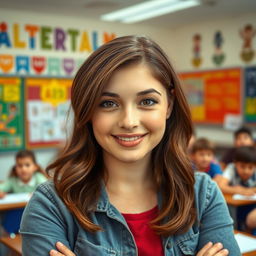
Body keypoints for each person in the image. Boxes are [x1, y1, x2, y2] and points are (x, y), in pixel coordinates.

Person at [20, 36, 240, 256]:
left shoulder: (203, 195)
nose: (129, 121)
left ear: (169, 105)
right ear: (88, 112)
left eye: (147, 101)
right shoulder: (51, 205)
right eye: (108, 103)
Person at [0, 149, 47, 235]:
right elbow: (1, 188)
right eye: (19, 165)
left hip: (35, 217)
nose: (23, 169)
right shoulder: (12, 180)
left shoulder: (38, 177)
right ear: (15, 168)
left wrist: (38, 193)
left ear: (35, 167)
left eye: (27, 165)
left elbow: (47, 190)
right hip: (16, 218)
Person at [217, 146, 256, 231]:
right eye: (242, 166)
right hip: (235, 208)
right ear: (235, 163)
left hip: (251, 206)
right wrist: (239, 190)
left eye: (250, 167)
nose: (246, 171)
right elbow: (221, 186)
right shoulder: (231, 168)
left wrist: (250, 190)